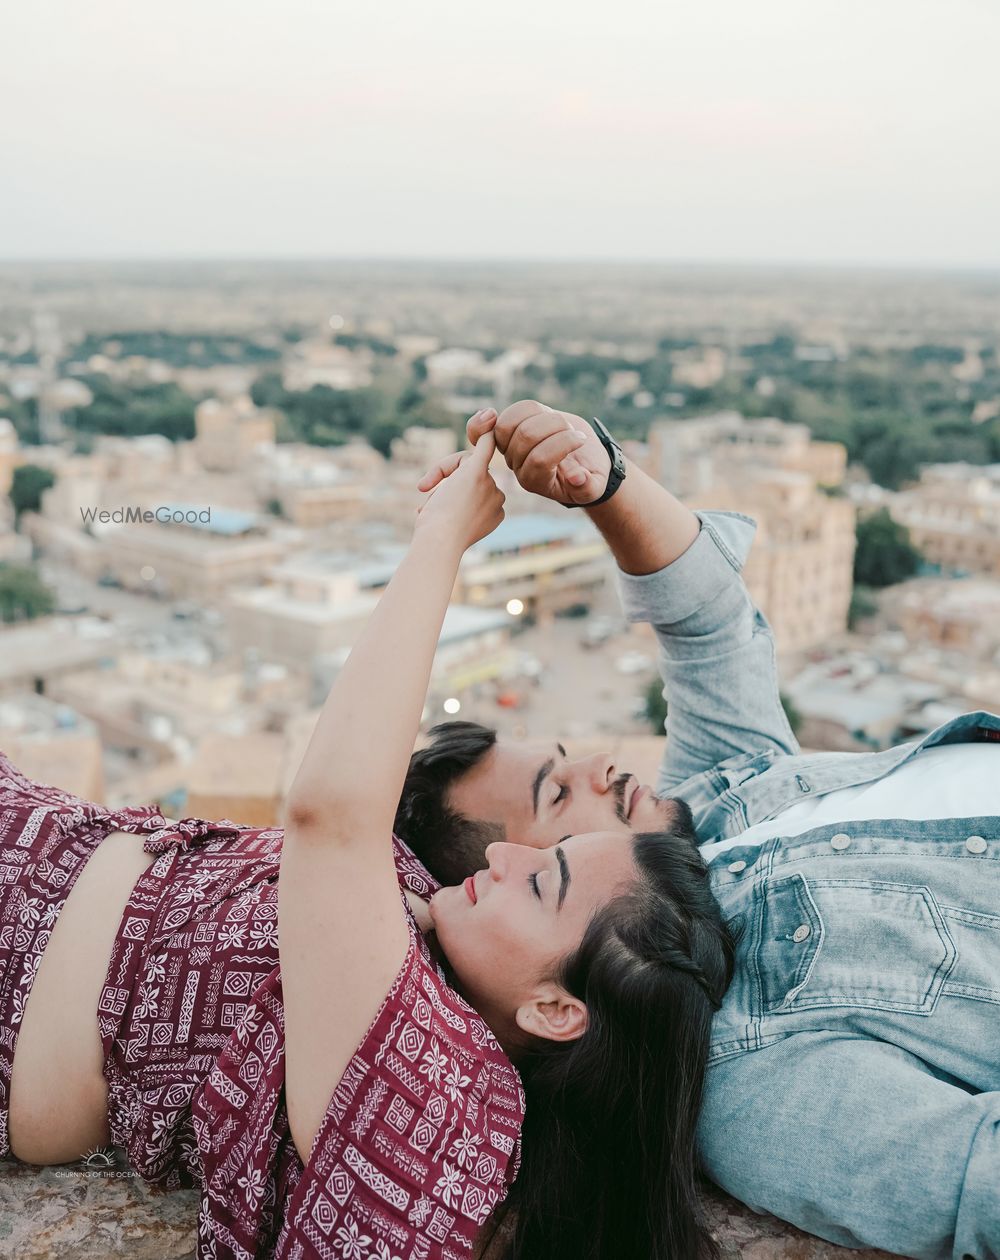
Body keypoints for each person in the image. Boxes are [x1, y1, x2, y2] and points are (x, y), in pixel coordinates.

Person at [2, 426, 734, 1260]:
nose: (507, 857)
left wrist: (443, 538)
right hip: (38, 840)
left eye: (544, 876)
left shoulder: (458, 1119)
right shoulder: (430, 943)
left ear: (558, 1009)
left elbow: (332, 815)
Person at [398, 399, 1000, 1260]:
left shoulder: (708, 806)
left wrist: (600, 479)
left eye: (566, 756)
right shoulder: (755, 1084)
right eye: (559, 801)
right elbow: (978, 1186)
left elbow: (707, 620)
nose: (603, 768)